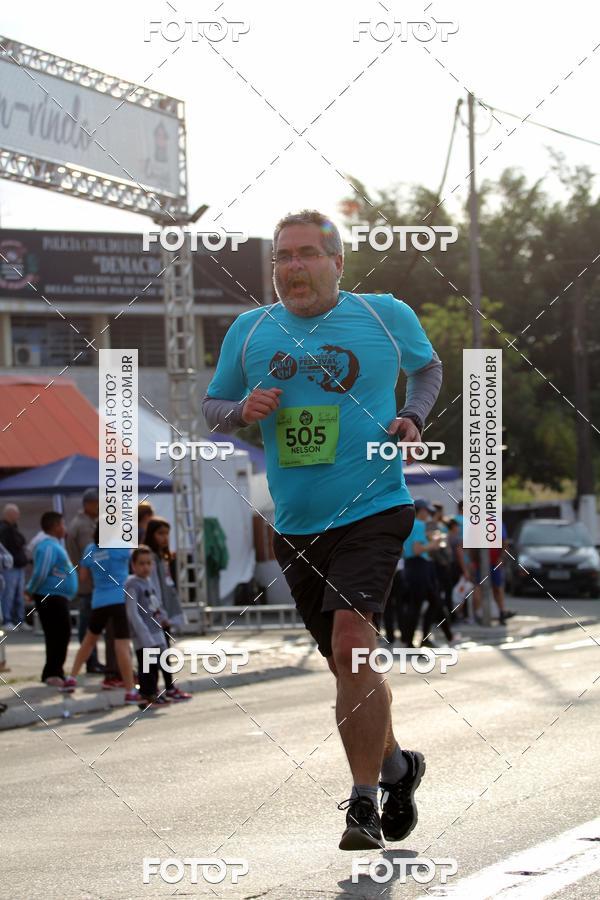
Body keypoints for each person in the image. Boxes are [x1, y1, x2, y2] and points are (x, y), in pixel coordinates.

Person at [202, 209, 442, 850]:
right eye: (282, 257)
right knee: (348, 668)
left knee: (351, 645)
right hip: (298, 524)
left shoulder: (384, 314)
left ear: (338, 262)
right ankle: (396, 767)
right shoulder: (249, 330)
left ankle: (362, 805)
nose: (292, 267)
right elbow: (211, 407)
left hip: (374, 505)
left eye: (307, 254)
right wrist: (239, 410)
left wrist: (414, 416)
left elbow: (428, 369)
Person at [61, 526, 141, 704]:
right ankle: (130, 691)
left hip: (99, 600)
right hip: (120, 599)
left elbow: (83, 577)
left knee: (89, 641)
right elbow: (137, 563)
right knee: (121, 645)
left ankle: (72, 678)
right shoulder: (122, 546)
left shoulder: (90, 549)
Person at [24, 512, 78, 686]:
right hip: (50, 596)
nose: (65, 528)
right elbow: (41, 572)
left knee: (60, 634)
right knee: (58, 634)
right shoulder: (47, 546)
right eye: (63, 524)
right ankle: (52, 672)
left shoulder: (54, 545)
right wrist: (30, 590)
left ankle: (55, 671)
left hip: (58, 596)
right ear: (55, 527)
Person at [144, 517, 191, 702]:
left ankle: (169, 686)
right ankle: (153, 689)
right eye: (160, 534)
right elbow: (153, 585)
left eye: (166, 534)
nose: (164, 538)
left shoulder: (162, 556)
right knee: (154, 650)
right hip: (155, 610)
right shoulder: (150, 557)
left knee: (165, 649)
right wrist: (158, 610)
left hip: (165, 609)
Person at [401, 499, 454, 649]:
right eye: (427, 511)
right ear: (421, 511)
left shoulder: (411, 524)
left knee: (430, 602)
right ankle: (411, 642)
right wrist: (433, 545)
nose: (429, 514)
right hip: (418, 566)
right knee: (419, 605)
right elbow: (417, 549)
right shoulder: (419, 524)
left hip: (413, 567)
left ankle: (418, 639)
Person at [124, 546, 171, 710]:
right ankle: (146, 695)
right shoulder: (132, 585)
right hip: (143, 636)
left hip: (155, 631)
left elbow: (155, 604)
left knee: (153, 666)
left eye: (148, 563)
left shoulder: (148, 583)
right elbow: (133, 613)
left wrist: (163, 618)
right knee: (146, 668)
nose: (146, 567)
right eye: (141, 564)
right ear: (133, 565)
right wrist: (144, 635)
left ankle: (153, 693)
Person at [66, 488, 105, 674]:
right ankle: (90, 661)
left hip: (96, 582)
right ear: (88, 504)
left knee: (94, 623)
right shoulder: (80, 526)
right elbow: (85, 555)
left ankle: (94, 660)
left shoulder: (93, 522)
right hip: (87, 582)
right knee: (88, 623)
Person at [0, 504, 29, 629]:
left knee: (19, 595)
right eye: (16, 514)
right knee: (8, 594)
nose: (18, 516)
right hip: (10, 568)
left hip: (18, 566)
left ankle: (20, 620)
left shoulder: (13, 528)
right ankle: (7, 620)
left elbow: (21, 541)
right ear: (10, 514)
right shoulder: (4, 529)